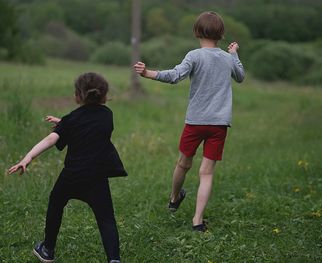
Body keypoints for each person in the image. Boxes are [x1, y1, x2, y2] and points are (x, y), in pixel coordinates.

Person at [134, 11, 245, 232]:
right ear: (221, 34)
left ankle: (174, 197)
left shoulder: (194, 55)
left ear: (196, 32)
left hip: (195, 122)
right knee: (206, 172)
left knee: (183, 164)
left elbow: (175, 76)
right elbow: (240, 76)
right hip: (219, 124)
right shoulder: (226, 58)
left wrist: (147, 73)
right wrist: (234, 54)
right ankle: (197, 221)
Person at [8, 72, 127, 263]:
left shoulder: (72, 120)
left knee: (56, 203)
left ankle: (47, 249)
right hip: (97, 177)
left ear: (77, 96)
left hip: (72, 176)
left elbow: (51, 139)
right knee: (106, 219)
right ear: (104, 95)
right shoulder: (107, 116)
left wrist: (27, 158)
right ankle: (114, 260)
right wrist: (64, 124)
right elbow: (88, 125)